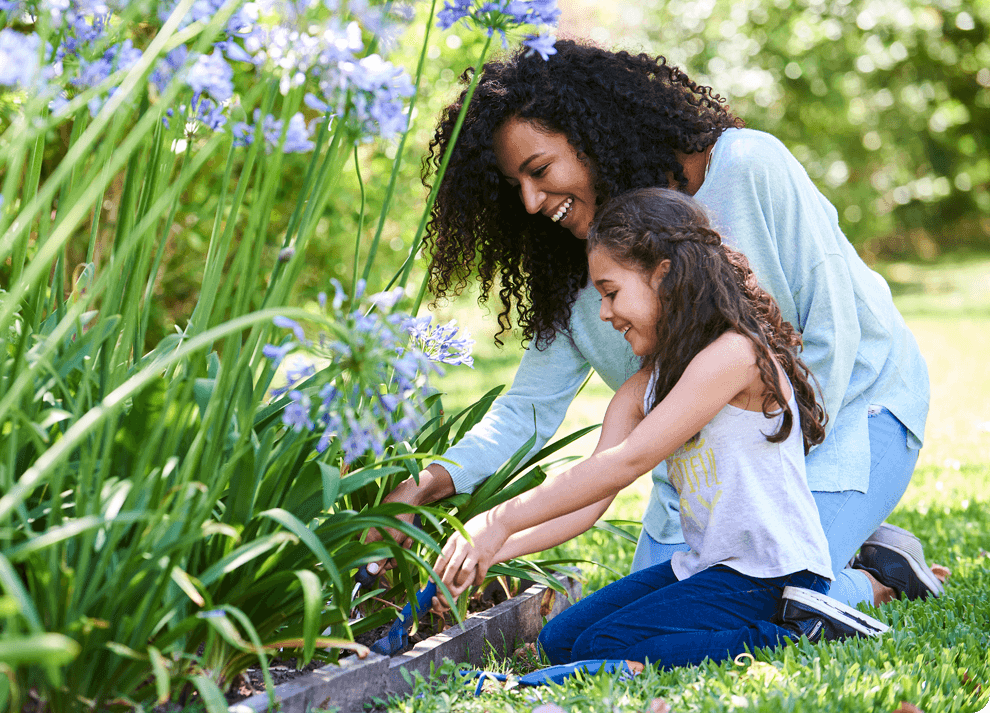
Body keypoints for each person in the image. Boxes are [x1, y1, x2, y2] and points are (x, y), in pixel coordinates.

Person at [370, 39, 945, 612]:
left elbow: (834, 332)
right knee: (649, 610)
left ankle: (872, 578)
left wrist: (774, 496)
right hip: (712, 474)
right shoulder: (582, 277)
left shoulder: (746, 167)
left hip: (851, 415)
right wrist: (431, 481)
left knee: (763, 598)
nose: (528, 201)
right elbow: (526, 411)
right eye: (513, 185)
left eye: (539, 170)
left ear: (592, 134)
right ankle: (856, 548)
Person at [432, 189, 886, 673]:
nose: (604, 312)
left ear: (663, 275)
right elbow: (592, 494)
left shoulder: (735, 356)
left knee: (601, 646)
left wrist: (499, 519)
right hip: (709, 568)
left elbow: (626, 462)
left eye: (611, 292)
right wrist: (492, 552)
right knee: (561, 640)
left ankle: (802, 633)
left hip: (772, 575)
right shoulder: (643, 386)